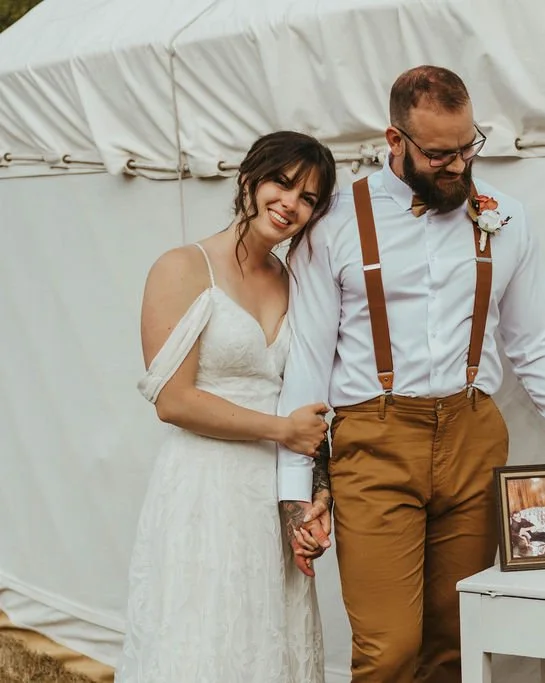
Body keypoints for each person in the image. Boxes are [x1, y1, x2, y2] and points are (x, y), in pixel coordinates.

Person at [275, 64, 545, 683]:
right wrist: (296, 494)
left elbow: (535, 345)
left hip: (474, 437)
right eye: (440, 154)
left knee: (454, 641)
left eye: (468, 146)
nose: (458, 165)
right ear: (395, 141)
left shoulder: (507, 218)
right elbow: (308, 361)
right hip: (374, 442)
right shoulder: (333, 221)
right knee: (388, 651)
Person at [115, 131, 338, 683]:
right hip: (204, 485)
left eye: (308, 198)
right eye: (282, 184)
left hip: (273, 487)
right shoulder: (183, 267)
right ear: (248, 180)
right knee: (203, 635)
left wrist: (315, 493)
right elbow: (174, 400)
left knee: (268, 638)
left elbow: (308, 397)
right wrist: (281, 430)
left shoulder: (294, 280)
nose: (290, 204)